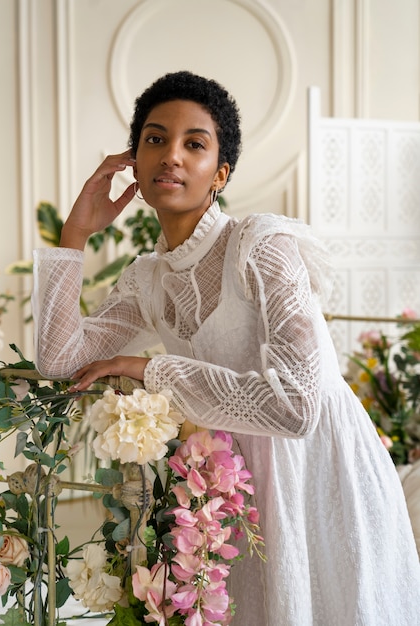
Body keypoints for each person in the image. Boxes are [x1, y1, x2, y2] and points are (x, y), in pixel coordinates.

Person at [32, 71, 420, 625]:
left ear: (220, 173)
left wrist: (152, 370)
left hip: (318, 476)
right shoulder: (147, 278)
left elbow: (296, 408)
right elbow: (60, 360)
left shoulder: (262, 246)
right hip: (227, 491)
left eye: (195, 144)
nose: (172, 156)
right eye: (155, 139)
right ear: (134, 167)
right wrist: (75, 235)